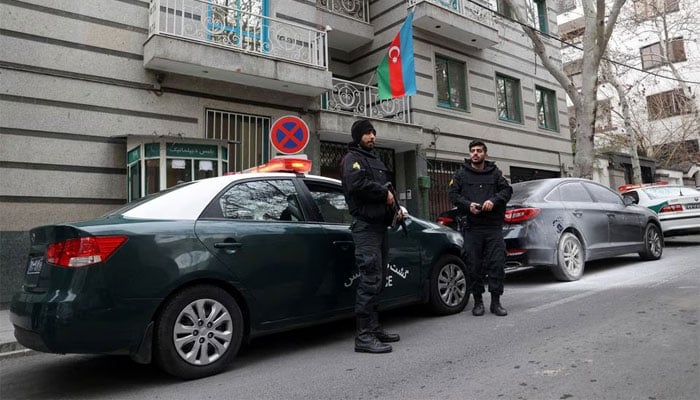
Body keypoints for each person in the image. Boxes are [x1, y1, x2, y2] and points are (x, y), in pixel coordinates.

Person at [340, 119, 403, 353]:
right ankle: (363, 336)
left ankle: (374, 327)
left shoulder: (375, 160)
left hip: (380, 226)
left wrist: (396, 208)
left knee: (379, 278)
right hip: (365, 227)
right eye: (367, 133)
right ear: (358, 136)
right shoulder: (351, 159)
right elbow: (357, 185)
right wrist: (384, 193)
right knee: (369, 279)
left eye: (373, 132)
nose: (372, 136)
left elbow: (388, 189)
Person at [448, 140, 513, 317]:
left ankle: (496, 302)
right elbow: (453, 195)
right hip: (472, 228)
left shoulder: (495, 173)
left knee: (496, 264)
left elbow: (507, 191)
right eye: (472, 151)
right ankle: (477, 302)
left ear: (485, 153)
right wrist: (468, 205)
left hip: (493, 227)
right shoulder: (461, 174)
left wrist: (493, 201)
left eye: (479, 151)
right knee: (473, 265)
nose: (475, 153)